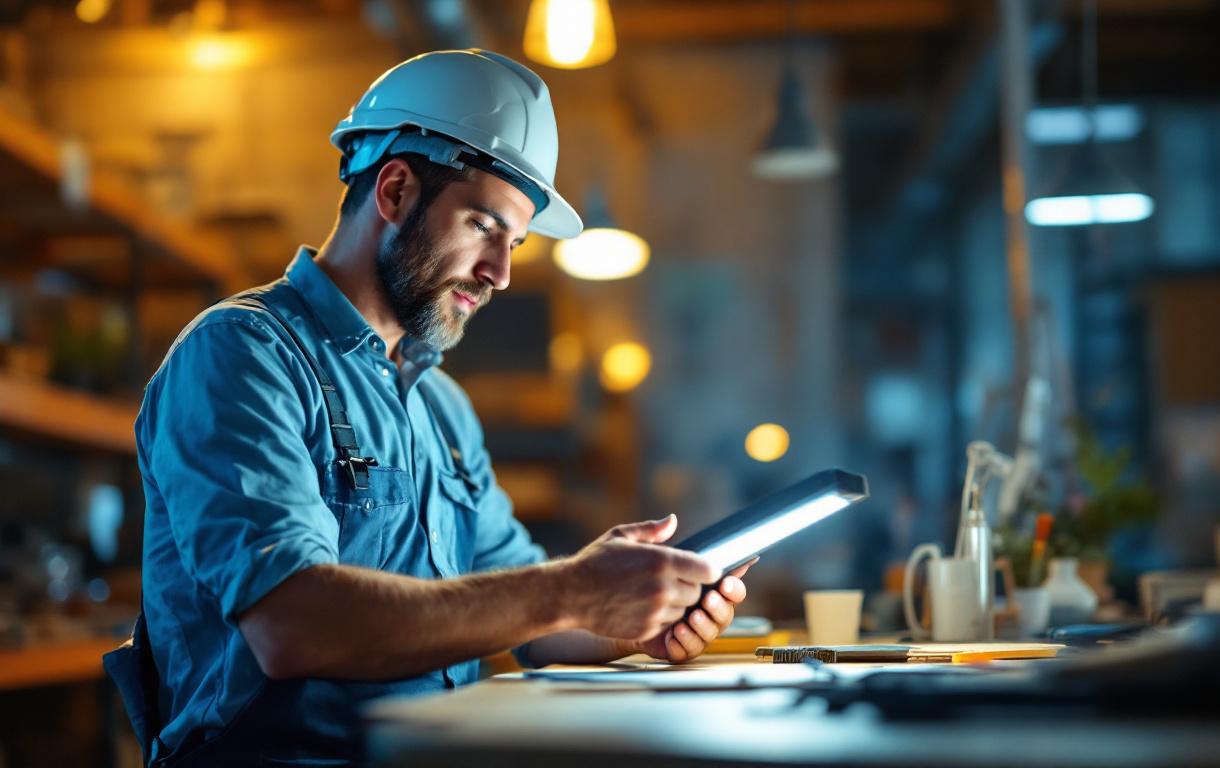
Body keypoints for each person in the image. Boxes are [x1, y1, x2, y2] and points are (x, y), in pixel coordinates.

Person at [124, 49, 753, 766]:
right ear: (395, 191)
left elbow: (536, 626)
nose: (501, 274)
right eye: (485, 226)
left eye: (514, 244)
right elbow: (291, 624)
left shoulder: (442, 410)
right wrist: (571, 589)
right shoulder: (242, 354)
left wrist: (630, 619)